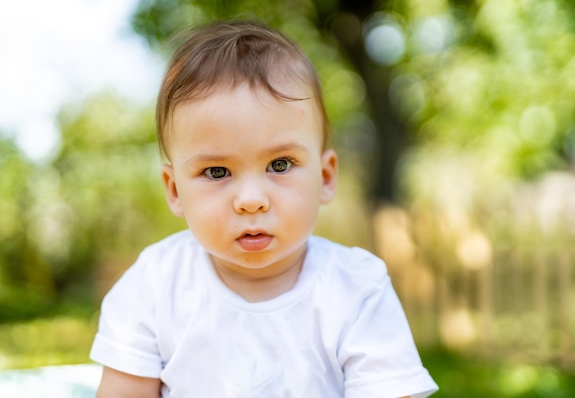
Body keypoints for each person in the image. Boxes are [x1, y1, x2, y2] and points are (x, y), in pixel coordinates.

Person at [90, 20, 438, 398]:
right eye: (217, 171)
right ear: (175, 190)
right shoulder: (154, 287)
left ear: (325, 177)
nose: (251, 199)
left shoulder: (356, 290)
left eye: (280, 165)